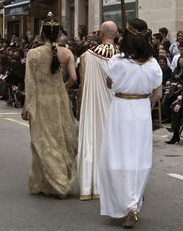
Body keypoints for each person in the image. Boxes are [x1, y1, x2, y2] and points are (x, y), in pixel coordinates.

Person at [99, 18, 162, 228]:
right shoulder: (154, 65)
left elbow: (109, 82)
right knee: (139, 158)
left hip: (120, 109)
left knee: (118, 157)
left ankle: (128, 204)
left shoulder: (117, 61)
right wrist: (144, 103)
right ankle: (134, 201)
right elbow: (158, 94)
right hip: (142, 110)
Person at [21, 12, 78, 198]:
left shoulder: (33, 53)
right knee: (61, 138)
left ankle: (54, 181)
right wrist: (63, 87)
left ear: (42, 33)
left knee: (42, 140)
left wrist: (26, 105)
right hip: (59, 99)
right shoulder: (66, 52)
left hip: (41, 100)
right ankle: (53, 178)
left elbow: (29, 82)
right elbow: (74, 78)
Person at [77, 21, 118, 200]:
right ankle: (117, 185)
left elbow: (82, 84)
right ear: (116, 34)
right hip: (118, 108)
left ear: (101, 33)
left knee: (95, 140)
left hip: (94, 107)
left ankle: (91, 185)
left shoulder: (87, 56)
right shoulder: (125, 56)